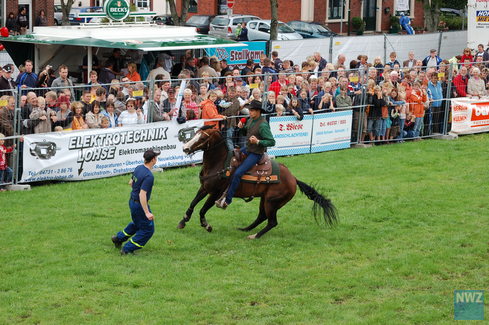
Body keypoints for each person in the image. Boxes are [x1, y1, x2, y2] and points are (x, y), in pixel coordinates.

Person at [215, 100, 275, 209]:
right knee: (231, 157)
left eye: (252, 110)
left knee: (238, 173)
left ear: (258, 111)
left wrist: (258, 141)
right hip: (247, 148)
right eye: (249, 110)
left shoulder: (263, 125)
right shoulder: (250, 120)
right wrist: (240, 127)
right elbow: (244, 133)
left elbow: (272, 142)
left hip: (256, 153)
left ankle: (227, 200)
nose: (249, 112)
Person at [111, 149, 160, 254]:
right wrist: (147, 212)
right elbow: (142, 194)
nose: (156, 159)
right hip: (139, 204)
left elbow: (130, 182)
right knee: (148, 229)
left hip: (132, 202)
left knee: (138, 224)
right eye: (156, 157)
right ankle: (127, 249)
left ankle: (118, 238)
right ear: (153, 160)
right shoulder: (149, 176)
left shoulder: (139, 168)